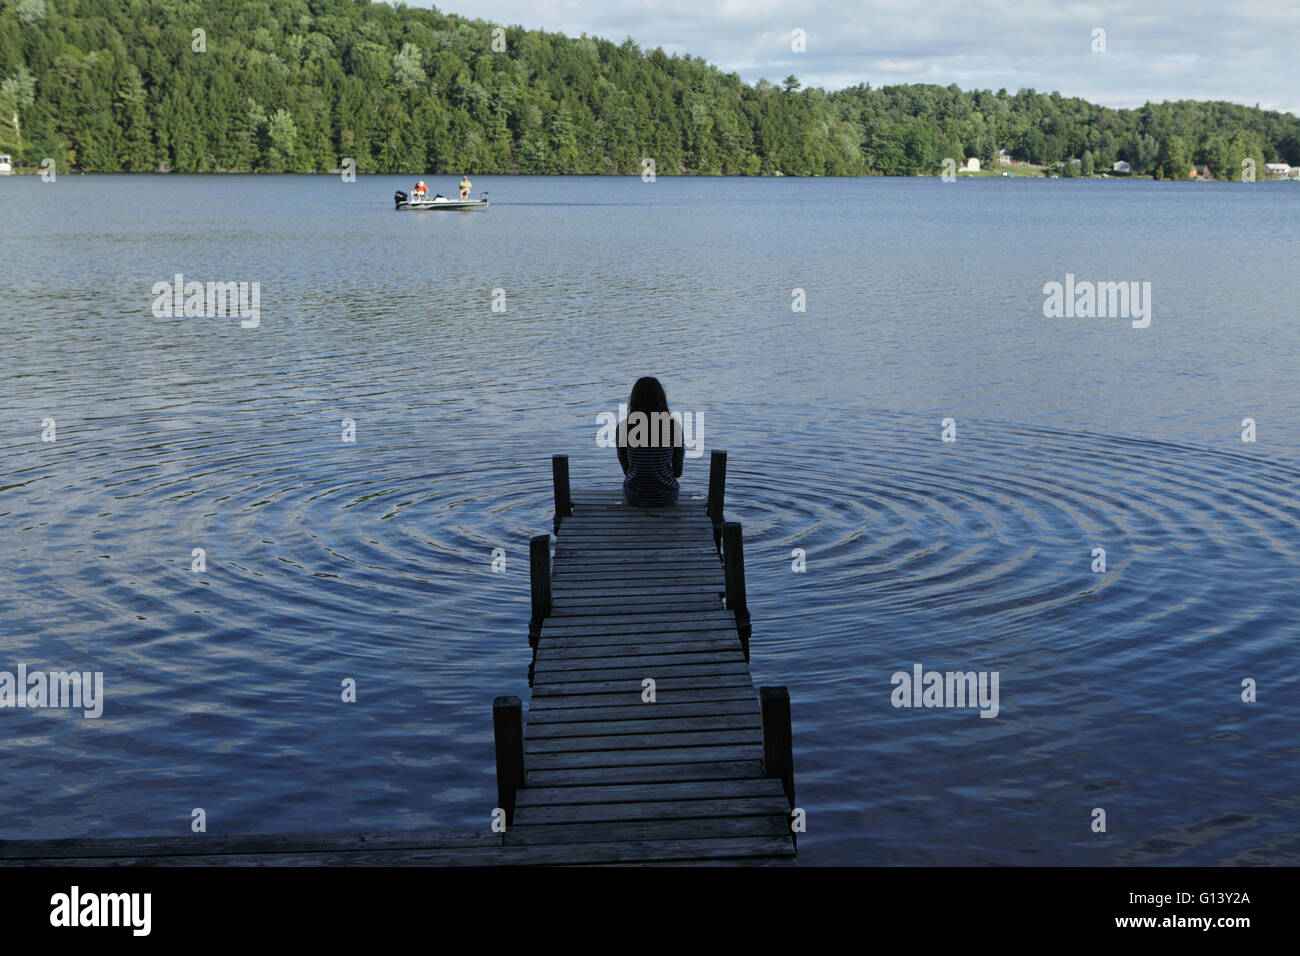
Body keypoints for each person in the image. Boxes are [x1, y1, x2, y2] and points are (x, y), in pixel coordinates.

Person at [617, 377, 684, 507]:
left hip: (634, 497)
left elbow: (626, 468)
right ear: (661, 399)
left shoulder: (624, 427)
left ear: (634, 399)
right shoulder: (673, 426)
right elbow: (678, 472)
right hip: (666, 496)